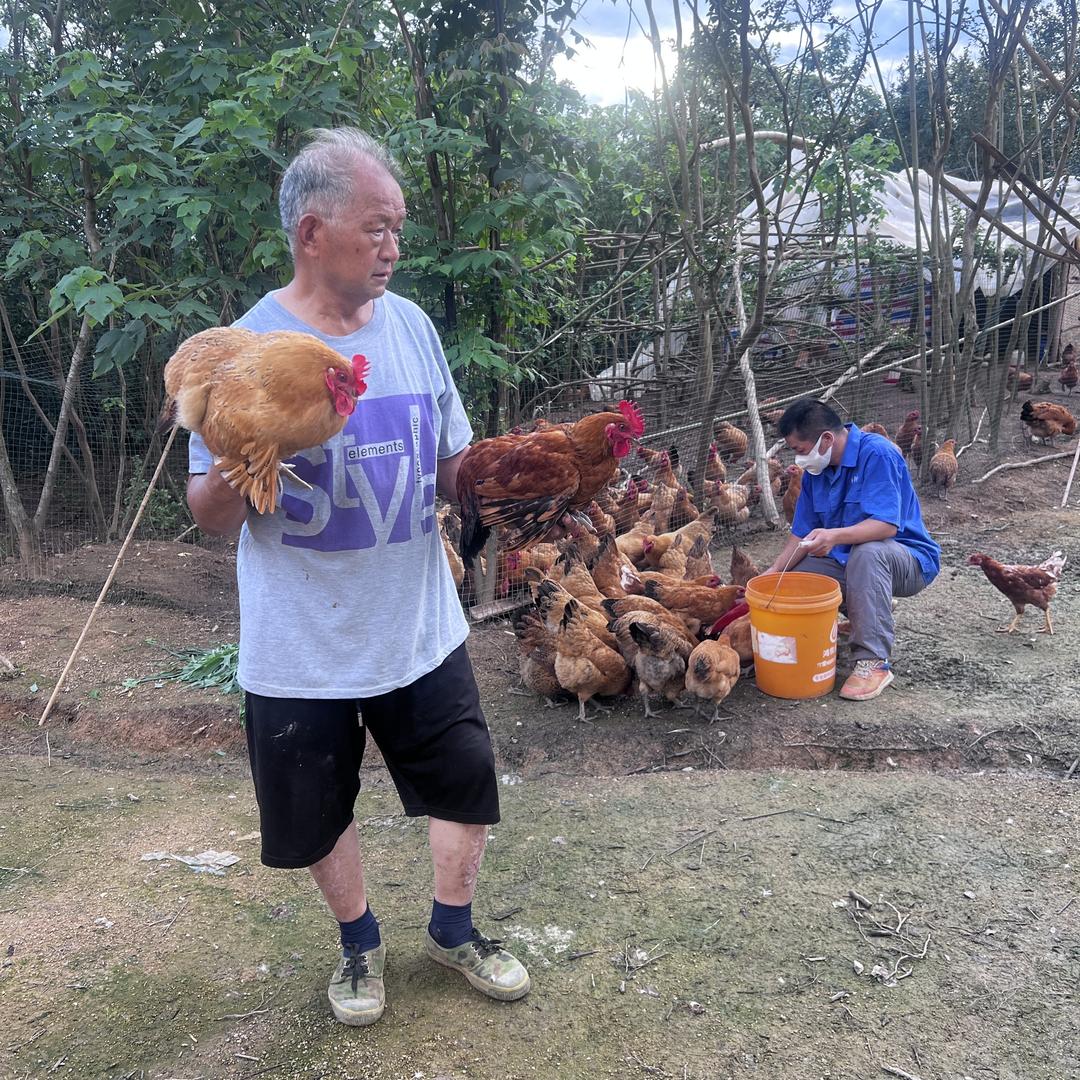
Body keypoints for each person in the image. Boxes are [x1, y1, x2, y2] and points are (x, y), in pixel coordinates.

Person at [184, 127, 529, 1027]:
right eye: (377, 228)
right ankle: (358, 944)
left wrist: (523, 478)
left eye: (398, 229)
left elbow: (454, 464)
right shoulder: (241, 349)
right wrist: (239, 463)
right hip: (301, 644)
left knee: (465, 778)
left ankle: (454, 930)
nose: (394, 247)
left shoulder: (411, 326)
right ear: (311, 232)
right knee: (315, 807)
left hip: (418, 626)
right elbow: (208, 514)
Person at [763, 398, 940, 702]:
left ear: (826, 439)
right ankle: (826, 635)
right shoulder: (817, 472)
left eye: (801, 450)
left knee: (868, 553)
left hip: (907, 559)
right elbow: (801, 534)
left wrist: (833, 536)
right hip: (851, 560)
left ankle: (873, 662)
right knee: (798, 575)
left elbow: (886, 527)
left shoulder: (878, 454)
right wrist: (773, 575)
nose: (799, 458)